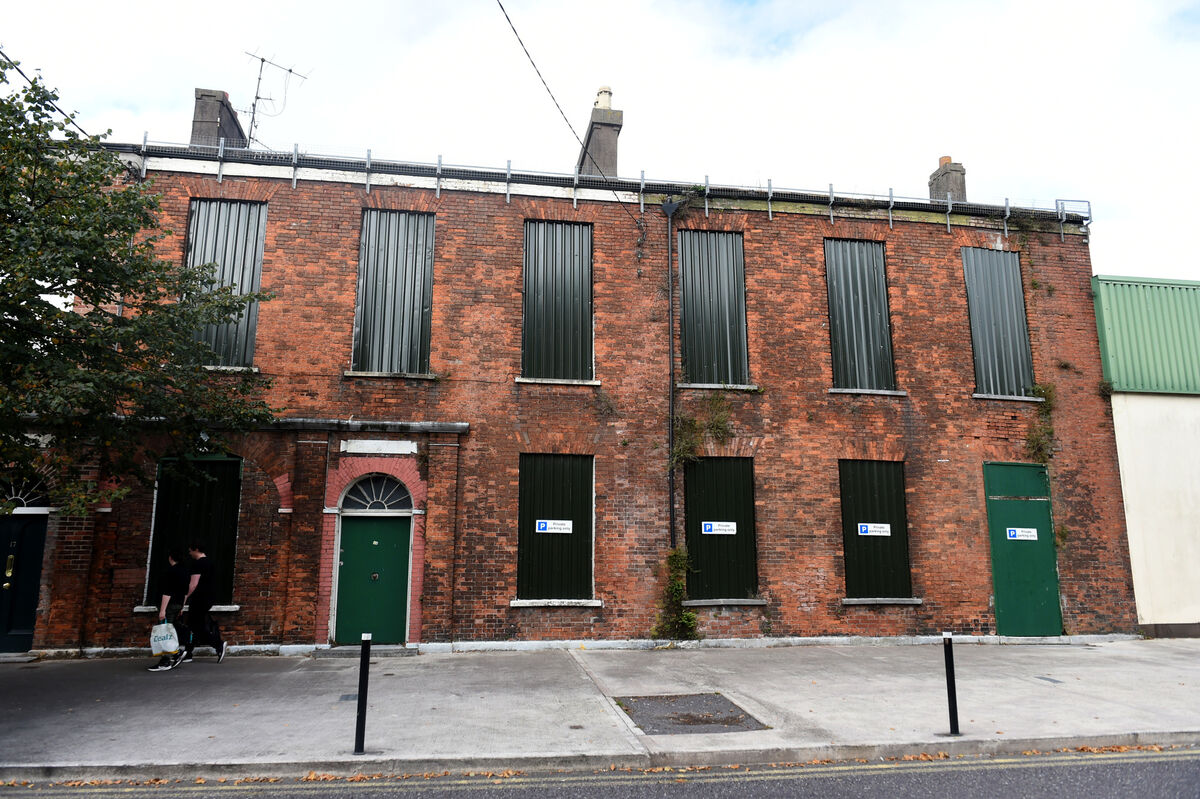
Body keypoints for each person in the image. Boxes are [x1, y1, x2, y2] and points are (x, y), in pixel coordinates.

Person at [147, 549, 191, 672]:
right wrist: (182, 606)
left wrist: (162, 610)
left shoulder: (171, 571)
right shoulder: (185, 572)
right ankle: (176, 654)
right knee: (170, 630)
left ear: (171, 557)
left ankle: (165, 661)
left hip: (169, 605)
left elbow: (168, 591)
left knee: (165, 632)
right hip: (178, 604)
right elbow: (186, 591)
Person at [183, 541, 227, 663]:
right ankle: (188, 653)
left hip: (199, 598)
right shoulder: (210, 563)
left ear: (196, 549)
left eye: (190, 551)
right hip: (208, 598)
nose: (190, 553)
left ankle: (218, 644)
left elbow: (193, 584)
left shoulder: (198, 564)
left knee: (197, 626)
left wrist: (184, 598)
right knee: (192, 624)